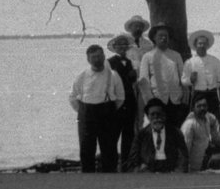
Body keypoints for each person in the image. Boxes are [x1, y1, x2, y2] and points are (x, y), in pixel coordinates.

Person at [69, 43, 126, 173]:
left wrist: (109, 110)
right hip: (87, 115)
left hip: (107, 114)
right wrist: (83, 111)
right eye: (94, 57)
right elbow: (72, 97)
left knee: (109, 148)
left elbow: (121, 97)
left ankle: (110, 179)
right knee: (86, 149)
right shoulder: (82, 76)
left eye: (100, 56)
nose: (97, 59)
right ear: (88, 59)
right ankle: (88, 178)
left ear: (104, 56)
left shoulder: (113, 75)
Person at [141, 31, 188, 170]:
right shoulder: (147, 56)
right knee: (156, 133)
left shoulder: (176, 55)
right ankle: (156, 165)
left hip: (174, 101)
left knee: (173, 133)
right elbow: (143, 81)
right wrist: (150, 104)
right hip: (157, 102)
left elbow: (183, 79)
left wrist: (184, 100)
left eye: (166, 35)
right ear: (154, 39)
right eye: (160, 35)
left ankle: (173, 165)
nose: (164, 37)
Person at [105, 34, 142, 170]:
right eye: (119, 44)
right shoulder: (109, 63)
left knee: (129, 134)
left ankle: (126, 163)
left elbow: (135, 84)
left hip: (130, 102)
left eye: (124, 44)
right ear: (114, 47)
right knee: (113, 134)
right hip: (116, 103)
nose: (122, 47)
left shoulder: (132, 63)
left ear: (128, 47)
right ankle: (111, 164)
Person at [184, 31, 220, 121]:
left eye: (204, 43)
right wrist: (191, 80)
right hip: (198, 94)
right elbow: (183, 80)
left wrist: (213, 86)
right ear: (195, 45)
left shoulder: (215, 60)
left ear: (207, 45)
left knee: (215, 119)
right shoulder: (189, 62)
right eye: (200, 43)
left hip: (212, 94)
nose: (202, 45)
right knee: (197, 120)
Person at [181, 100, 220, 173]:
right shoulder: (189, 125)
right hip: (193, 168)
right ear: (193, 108)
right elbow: (185, 151)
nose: (202, 108)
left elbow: (217, 139)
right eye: (199, 106)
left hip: (206, 162)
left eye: (204, 106)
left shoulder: (207, 118)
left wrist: (214, 134)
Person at [135, 98, 175, 171]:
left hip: (169, 171)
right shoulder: (141, 135)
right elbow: (133, 160)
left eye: (158, 114)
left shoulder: (175, 133)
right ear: (148, 116)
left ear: (164, 115)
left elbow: (182, 158)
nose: (156, 117)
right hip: (148, 171)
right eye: (152, 114)